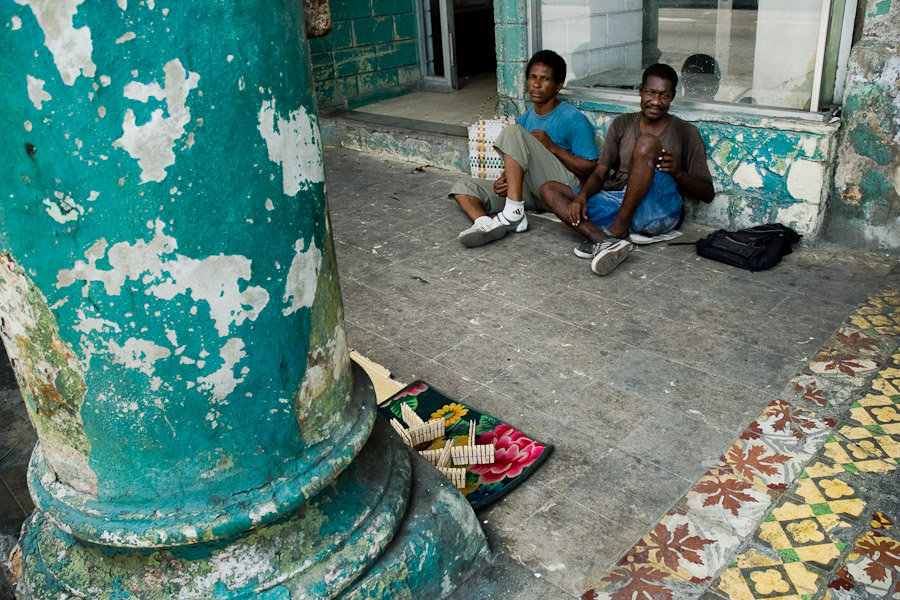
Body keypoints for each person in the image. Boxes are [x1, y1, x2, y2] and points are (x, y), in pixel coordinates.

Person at [540, 63, 715, 276]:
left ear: (673, 97)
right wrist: (582, 197)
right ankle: (604, 241)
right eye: (650, 93)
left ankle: (617, 231)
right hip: (619, 203)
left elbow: (707, 193)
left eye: (664, 96)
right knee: (549, 190)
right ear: (640, 90)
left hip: (656, 209)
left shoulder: (686, 132)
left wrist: (677, 172)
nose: (656, 102)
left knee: (647, 143)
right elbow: (600, 172)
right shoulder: (622, 123)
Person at [450, 50, 598, 247]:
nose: (536, 84)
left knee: (513, 131)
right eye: (532, 77)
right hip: (530, 192)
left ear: (558, 86)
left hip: (561, 191)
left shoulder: (572, 118)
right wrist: (503, 181)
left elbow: (591, 169)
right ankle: (485, 224)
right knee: (463, 187)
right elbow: (517, 161)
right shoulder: (526, 118)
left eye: (545, 79)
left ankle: (514, 214)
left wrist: (553, 148)